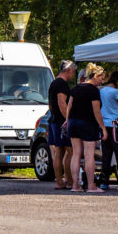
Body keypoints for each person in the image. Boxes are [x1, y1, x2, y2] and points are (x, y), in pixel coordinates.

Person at [65, 63, 107, 192]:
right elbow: (96, 111)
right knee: (89, 155)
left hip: (73, 123)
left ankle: (75, 185)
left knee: (76, 154)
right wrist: (103, 128)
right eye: (101, 78)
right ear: (95, 76)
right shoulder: (93, 90)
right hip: (87, 123)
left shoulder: (76, 88)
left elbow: (69, 106)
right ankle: (91, 186)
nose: (102, 81)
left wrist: (67, 121)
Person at [48, 61, 77, 189]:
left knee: (59, 152)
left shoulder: (54, 82)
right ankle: (68, 181)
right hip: (61, 121)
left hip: (53, 120)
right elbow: (61, 102)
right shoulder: (62, 84)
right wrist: (68, 120)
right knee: (70, 151)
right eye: (73, 72)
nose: (73, 75)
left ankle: (60, 181)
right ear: (68, 70)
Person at [99, 70, 118, 190]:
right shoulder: (116, 92)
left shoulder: (102, 90)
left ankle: (104, 181)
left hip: (104, 125)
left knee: (106, 155)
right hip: (116, 125)